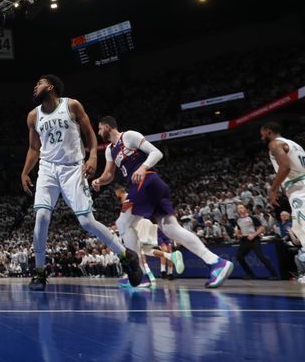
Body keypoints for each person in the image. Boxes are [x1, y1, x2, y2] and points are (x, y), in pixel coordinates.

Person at [21, 75, 141, 291]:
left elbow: (88, 133)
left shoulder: (72, 105)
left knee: (86, 222)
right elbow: (33, 149)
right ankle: (39, 272)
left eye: (39, 83)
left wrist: (93, 156)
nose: (35, 86)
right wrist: (25, 172)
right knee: (41, 217)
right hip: (47, 169)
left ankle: (126, 255)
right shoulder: (33, 116)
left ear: (50, 86)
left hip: (72, 168)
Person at [93, 116, 233, 289]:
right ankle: (216, 262)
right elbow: (109, 175)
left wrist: (143, 167)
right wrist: (99, 180)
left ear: (107, 126)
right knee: (171, 229)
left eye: (99, 128)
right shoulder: (109, 150)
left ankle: (140, 275)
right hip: (144, 186)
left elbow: (156, 153)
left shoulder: (128, 136)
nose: (98, 132)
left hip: (146, 181)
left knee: (122, 223)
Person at [261, 122, 305, 245]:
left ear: (268, 131)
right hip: (299, 185)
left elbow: (285, 167)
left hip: (300, 189)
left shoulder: (274, 143)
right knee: (298, 229)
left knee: (303, 228)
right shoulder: (294, 144)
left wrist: (273, 190)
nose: (262, 137)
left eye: (262, 134)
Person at [232, 203, 278, 279]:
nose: (240, 209)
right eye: (238, 208)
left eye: (241, 207)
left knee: (261, 256)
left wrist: (254, 234)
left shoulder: (252, 218)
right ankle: (250, 274)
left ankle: (275, 275)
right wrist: (238, 234)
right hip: (244, 240)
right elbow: (240, 231)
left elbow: (262, 228)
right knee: (239, 257)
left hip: (254, 239)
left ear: (245, 209)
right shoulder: (238, 220)